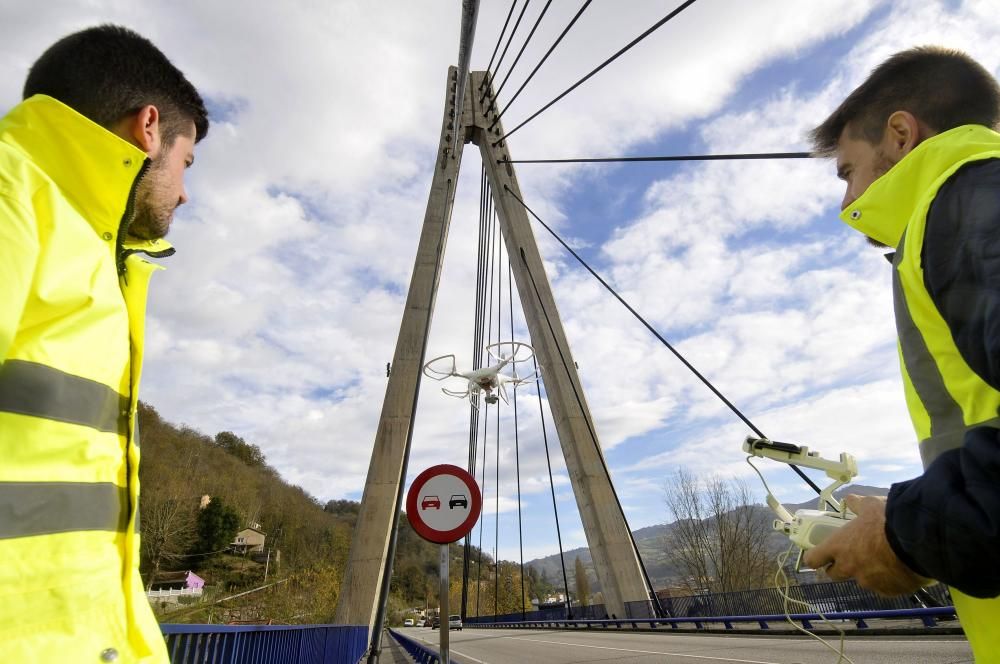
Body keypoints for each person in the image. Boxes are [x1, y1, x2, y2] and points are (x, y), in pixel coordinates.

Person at [0, 25, 208, 662]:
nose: (184, 191)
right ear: (149, 127)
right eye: (185, 163)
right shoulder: (15, 194)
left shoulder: (94, 255)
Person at [801, 46, 1000, 660]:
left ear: (900, 134)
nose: (846, 203)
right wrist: (916, 516)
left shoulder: (969, 204)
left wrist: (906, 534)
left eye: (848, 171)